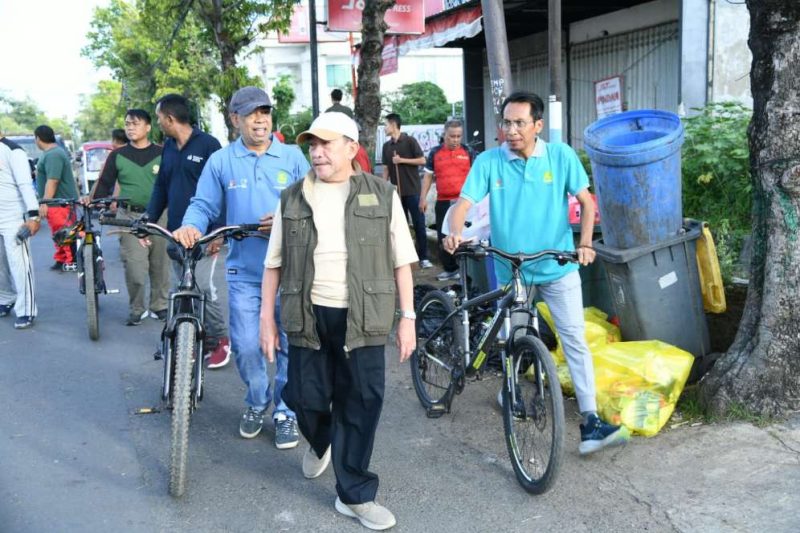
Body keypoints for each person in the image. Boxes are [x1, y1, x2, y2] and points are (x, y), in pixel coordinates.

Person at [443, 91, 630, 455]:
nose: (511, 130)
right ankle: (508, 390)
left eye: (519, 123)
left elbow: (587, 202)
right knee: (514, 338)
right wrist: (455, 230)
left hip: (557, 265)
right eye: (506, 123)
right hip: (511, 269)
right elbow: (463, 203)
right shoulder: (489, 162)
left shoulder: (560, 156)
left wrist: (587, 243)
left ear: (537, 125)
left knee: (574, 338)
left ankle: (590, 421)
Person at [259, 112, 417, 531]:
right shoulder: (292, 197)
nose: (317, 152)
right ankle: (322, 437)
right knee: (304, 397)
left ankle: (355, 495)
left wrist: (408, 319)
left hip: (364, 314)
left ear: (352, 147)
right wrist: (266, 320)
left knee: (362, 402)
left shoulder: (382, 194)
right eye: (312, 144)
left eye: (327, 144)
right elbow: (273, 265)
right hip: (307, 314)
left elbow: (403, 261)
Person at [173, 86, 310, 449]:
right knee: (248, 345)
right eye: (251, 113)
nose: (260, 119)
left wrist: (285, 216)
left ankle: (286, 410)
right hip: (245, 272)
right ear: (235, 119)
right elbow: (202, 203)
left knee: (289, 346)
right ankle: (257, 398)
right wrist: (191, 225)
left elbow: (316, 202)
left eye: (264, 111)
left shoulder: (293, 156)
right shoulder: (221, 161)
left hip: (292, 270)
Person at [148, 93, 230, 368]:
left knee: (203, 286)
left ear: (170, 118)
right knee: (180, 289)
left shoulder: (209, 145)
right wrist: (147, 221)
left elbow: (223, 188)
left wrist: (219, 231)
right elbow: (161, 187)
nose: (159, 123)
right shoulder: (168, 148)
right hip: (175, 234)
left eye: (159, 118)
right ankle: (187, 340)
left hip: (205, 235)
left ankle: (218, 339)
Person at [92, 109, 170, 326]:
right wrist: (95, 201)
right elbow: (105, 184)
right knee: (135, 267)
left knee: (160, 265)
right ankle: (137, 308)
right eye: (127, 124)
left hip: (161, 215)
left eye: (135, 124)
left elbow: (174, 183)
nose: (130, 128)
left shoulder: (164, 153)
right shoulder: (117, 155)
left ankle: (159, 306)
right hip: (129, 216)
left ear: (148, 127)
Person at [420, 118, 475, 281]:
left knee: (466, 236)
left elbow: (477, 177)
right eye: (452, 136)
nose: (455, 140)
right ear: (445, 134)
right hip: (443, 201)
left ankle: (466, 271)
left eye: (459, 136)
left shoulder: (468, 152)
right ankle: (450, 269)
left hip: (464, 203)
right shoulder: (435, 153)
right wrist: (423, 198)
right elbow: (428, 176)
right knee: (444, 236)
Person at [0, 133, 41, 329]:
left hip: (13, 219)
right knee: (0, 267)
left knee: (20, 267)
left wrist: (33, 216)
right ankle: (6, 298)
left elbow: (26, 185)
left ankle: (26, 310)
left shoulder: (13, 151)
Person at [382, 113, 432, 269]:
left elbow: (423, 160)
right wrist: (383, 187)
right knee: (399, 227)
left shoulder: (409, 141)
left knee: (419, 225)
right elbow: (385, 169)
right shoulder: (386, 146)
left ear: (393, 124)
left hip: (413, 191)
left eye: (385, 125)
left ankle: (423, 257)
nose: (384, 128)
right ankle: (403, 260)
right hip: (396, 193)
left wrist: (402, 160)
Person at [34, 125, 79, 272]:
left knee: (64, 233)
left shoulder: (53, 154)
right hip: (56, 203)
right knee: (58, 234)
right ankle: (61, 260)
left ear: (38, 138)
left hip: (59, 203)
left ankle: (71, 262)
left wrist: (45, 202)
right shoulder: (51, 153)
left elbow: (53, 180)